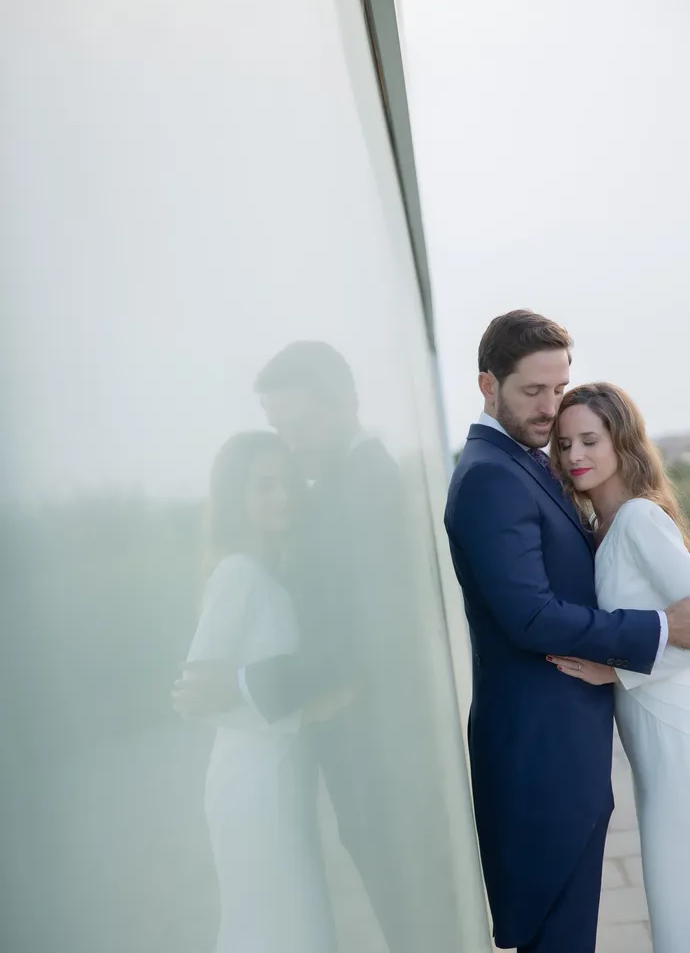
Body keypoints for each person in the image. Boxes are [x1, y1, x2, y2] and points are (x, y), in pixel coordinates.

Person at [175, 343, 457, 953]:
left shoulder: (363, 489)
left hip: (385, 762)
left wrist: (253, 685)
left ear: (347, 404)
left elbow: (366, 636)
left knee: (418, 924)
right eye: (282, 428)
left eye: (301, 425)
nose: (294, 443)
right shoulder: (335, 490)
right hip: (352, 759)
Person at [443, 309, 690, 953]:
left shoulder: (530, 469)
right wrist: (655, 631)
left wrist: (630, 658)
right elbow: (529, 616)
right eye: (533, 392)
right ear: (486, 385)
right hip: (541, 756)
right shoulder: (491, 477)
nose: (551, 411)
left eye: (559, 389)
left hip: (581, 752)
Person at [548, 383, 690, 953]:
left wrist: (617, 671)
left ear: (621, 441)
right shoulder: (600, 530)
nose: (575, 455)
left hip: (676, 734)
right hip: (650, 742)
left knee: (676, 900)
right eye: (563, 444)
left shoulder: (635, 520)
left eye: (590, 439)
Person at [184, 431, 336, 953]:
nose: (282, 496)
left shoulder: (276, 571)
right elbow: (199, 695)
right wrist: (307, 711)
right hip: (251, 785)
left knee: (294, 923)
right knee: (269, 927)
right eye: (262, 487)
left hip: (285, 778)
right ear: (236, 499)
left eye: (287, 482)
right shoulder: (237, 574)